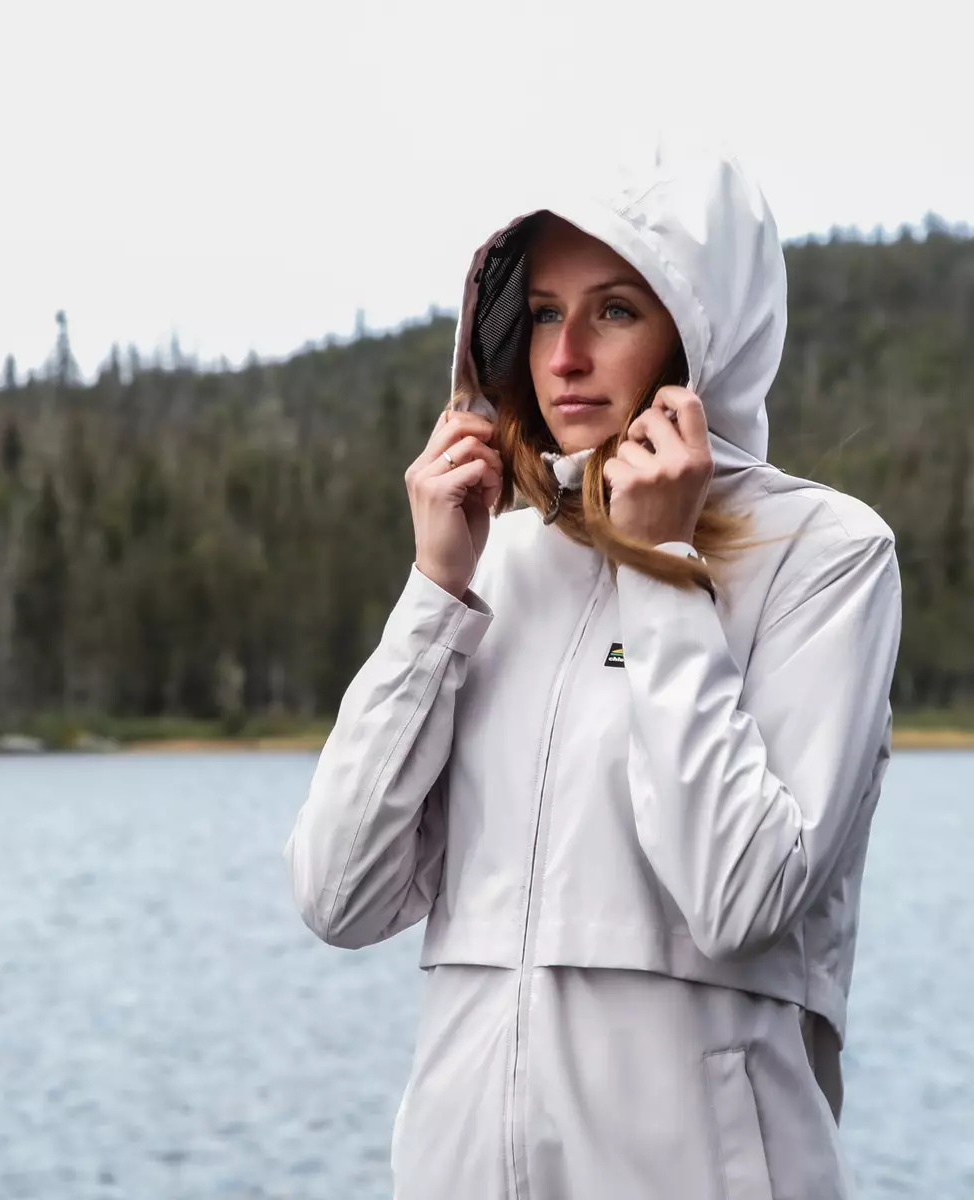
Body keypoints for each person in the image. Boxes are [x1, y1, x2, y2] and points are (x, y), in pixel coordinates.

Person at [284, 143, 902, 1199]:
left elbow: (741, 897)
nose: (565, 356)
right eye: (540, 314)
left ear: (701, 332)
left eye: (614, 310)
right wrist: (435, 592)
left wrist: (661, 566)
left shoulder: (827, 555)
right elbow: (340, 896)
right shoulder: (497, 559)